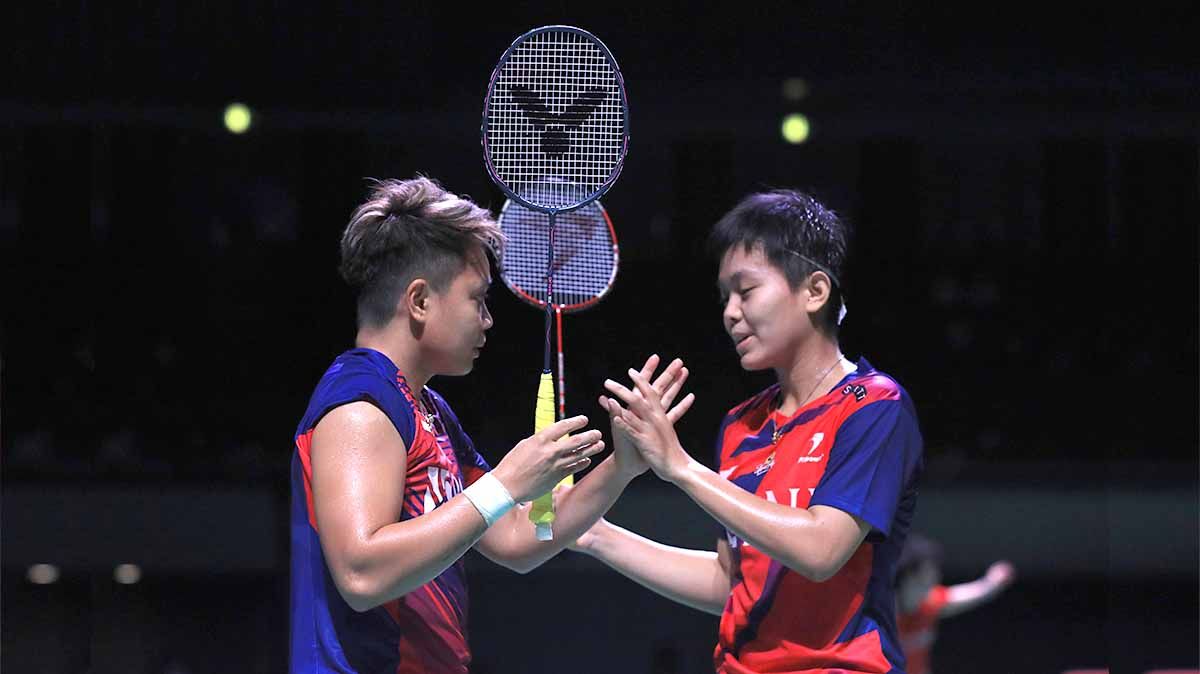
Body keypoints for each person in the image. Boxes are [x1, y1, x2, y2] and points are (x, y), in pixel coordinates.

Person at [289, 176, 693, 673]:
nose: (488, 320)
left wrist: (623, 465)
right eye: (476, 299)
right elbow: (361, 574)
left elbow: (520, 540)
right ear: (419, 301)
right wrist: (504, 483)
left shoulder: (429, 411)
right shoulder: (360, 406)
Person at [573, 188, 925, 673]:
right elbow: (731, 584)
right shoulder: (742, 425)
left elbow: (822, 550)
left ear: (815, 291)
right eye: (724, 297)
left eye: (747, 290)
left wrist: (681, 469)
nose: (730, 312)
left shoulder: (873, 406)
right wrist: (594, 534)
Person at [895, 533, 1016, 674]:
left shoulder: (930, 602)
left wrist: (993, 582)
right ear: (907, 575)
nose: (933, 577)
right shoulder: (879, 609)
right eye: (924, 578)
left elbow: (972, 594)